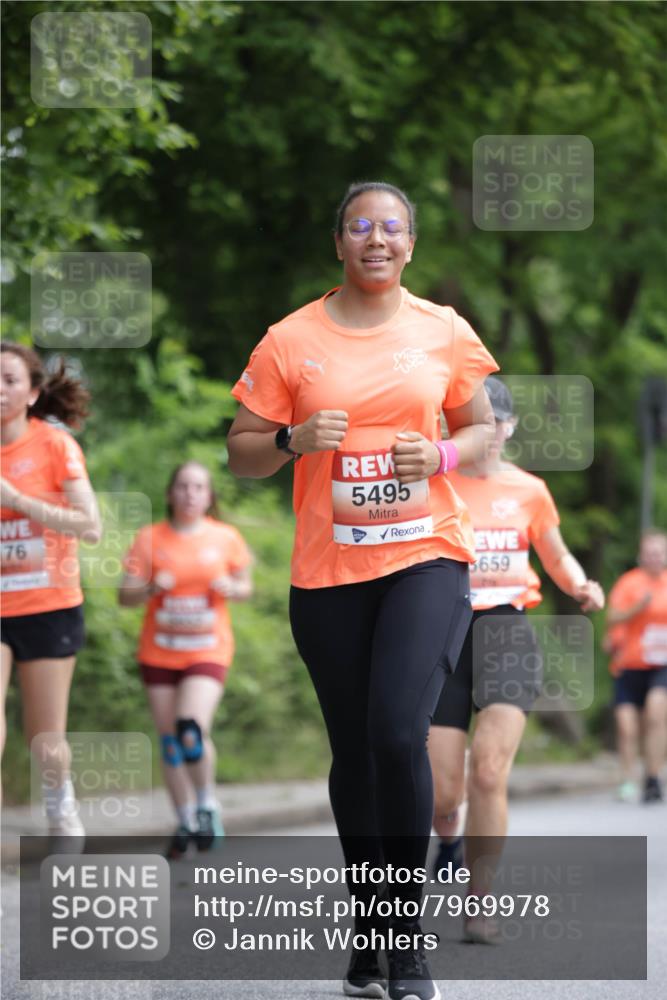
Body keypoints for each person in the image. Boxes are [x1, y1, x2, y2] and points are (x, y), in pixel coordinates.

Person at [227, 181, 499, 1000]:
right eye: (359, 227)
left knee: (393, 732)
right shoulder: (289, 339)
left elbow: (482, 432)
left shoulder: (442, 330)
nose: (375, 239)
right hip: (327, 572)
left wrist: (443, 458)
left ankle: (406, 944)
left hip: (426, 555)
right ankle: (369, 927)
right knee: (353, 752)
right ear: (338, 243)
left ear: (410, 244)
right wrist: (291, 438)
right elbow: (240, 451)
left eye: (391, 228)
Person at [428, 375, 605, 943]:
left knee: (487, 772)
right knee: (442, 793)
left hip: (507, 628)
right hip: (445, 630)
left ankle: (479, 904)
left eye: (500, 422)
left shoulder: (529, 490)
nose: (493, 432)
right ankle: (448, 837)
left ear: (510, 426)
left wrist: (581, 585)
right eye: (482, 423)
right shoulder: (439, 484)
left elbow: (555, 553)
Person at [118, 461, 253, 858]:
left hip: (207, 649)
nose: (191, 493)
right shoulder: (149, 539)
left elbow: (246, 586)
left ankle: (208, 804)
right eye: (183, 486)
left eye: (199, 487)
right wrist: (147, 589)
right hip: (159, 651)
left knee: (189, 727)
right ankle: (184, 819)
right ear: (170, 493)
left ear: (209, 496)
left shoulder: (225, 537)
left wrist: (232, 586)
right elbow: (124, 596)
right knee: (170, 743)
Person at [1, 341, 101, 837]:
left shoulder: (54, 445)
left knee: (45, 739)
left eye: (9, 380)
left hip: (48, 605)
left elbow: (90, 525)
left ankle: (60, 807)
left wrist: (17, 500)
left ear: (33, 391)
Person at [606, 528, 667, 803]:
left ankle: (653, 777)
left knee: (655, 715)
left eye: (659, 552)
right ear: (641, 556)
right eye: (649, 553)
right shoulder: (629, 583)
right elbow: (613, 618)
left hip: (661, 665)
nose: (654, 557)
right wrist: (636, 610)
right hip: (630, 664)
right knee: (627, 727)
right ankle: (628, 777)